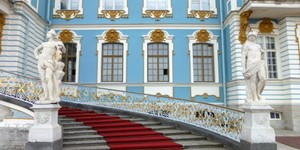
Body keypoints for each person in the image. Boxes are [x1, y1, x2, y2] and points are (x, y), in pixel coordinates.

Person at [34, 29, 65, 103]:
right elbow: (36, 50)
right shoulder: (44, 43)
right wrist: (37, 56)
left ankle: (51, 96)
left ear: (52, 35)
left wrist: (62, 45)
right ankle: (46, 96)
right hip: (41, 60)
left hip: (50, 61)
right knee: (43, 79)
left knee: (49, 78)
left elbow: (63, 51)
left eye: (48, 33)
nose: (47, 34)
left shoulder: (56, 43)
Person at [242, 31, 267, 102]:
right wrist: (244, 68)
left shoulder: (258, 46)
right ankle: (255, 97)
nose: (252, 37)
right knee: (253, 81)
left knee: (263, 78)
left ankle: (258, 93)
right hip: (251, 64)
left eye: (253, 36)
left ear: (255, 37)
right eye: (250, 36)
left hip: (259, 63)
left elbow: (262, 55)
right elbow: (243, 57)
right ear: (248, 37)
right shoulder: (246, 45)